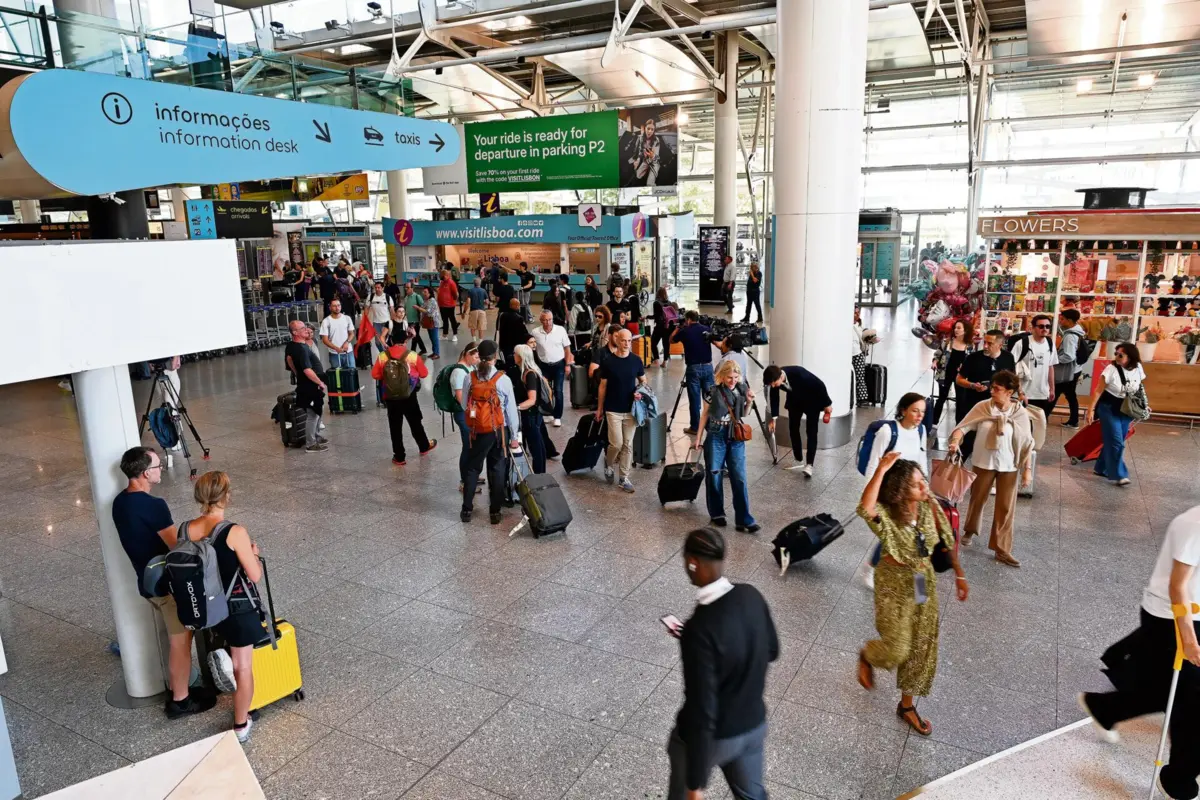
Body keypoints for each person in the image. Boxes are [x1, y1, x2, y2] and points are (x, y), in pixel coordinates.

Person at [1079, 504, 1200, 800]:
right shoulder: (1193, 524)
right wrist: (1188, 638)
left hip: (1189, 618)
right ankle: (1177, 778)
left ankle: (1104, 708)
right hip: (1171, 618)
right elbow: (1178, 585)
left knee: (1172, 693)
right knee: (1193, 701)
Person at [856, 452, 968, 736]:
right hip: (893, 586)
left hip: (922, 581)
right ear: (901, 490)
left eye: (923, 481)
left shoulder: (929, 505)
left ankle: (906, 706)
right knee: (897, 648)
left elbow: (946, 538)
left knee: (921, 645)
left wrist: (959, 574)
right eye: (918, 484)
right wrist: (881, 468)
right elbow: (866, 506)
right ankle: (868, 655)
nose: (925, 487)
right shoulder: (888, 515)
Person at [667, 527, 777, 800]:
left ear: (693, 562)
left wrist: (695, 785)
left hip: (717, 737)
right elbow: (772, 650)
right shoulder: (751, 594)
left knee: (678, 748)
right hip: (753, 725)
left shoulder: (700, 629)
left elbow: (702, 709)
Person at [113, 447, 216, 719]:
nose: (161, 469)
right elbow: (177, 546)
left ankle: (181, 689)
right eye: (158, 466)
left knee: (175, 638)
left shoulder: (119, 502)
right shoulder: (153, 505)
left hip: (146, 582)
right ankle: (180, 700)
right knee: (181, 642)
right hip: (167, 587)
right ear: (146, 473)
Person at [181, 472, 264, 743]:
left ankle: (220, 657)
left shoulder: (184, 530)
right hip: (236, 609)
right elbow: (254, 575)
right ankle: (241, 723)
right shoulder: (234, 532)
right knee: (244, 667)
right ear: (226, 496)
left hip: (203, 609)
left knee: (225, 646)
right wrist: (253, 554)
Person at [948, 370, 1035, 568]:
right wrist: (955, 442)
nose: (992, 391)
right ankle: (969, 530)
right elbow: (963, 427)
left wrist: (1027, 470)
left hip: (1009, 465)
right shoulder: (983, 407)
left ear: (1009, 392)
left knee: (1006, 507)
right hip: (983, 462)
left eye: (997, 389)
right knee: (978, 499)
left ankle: (1002, 549)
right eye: (992, 387)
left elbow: (1026, 443)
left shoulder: (1020, 413)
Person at [694, 360, 759, 533]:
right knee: (714, 474)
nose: (733, 380)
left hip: (735, 436)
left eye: (736, 377)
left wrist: (750, 402)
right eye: (729, 377)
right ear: (721, 376)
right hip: (716, 434)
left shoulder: (742, 389)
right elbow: (705, 415)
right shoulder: (712, 391)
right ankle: (717, 513)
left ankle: (744, 518)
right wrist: (698, 438)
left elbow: (743, 414)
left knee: (739, 476)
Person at [461, 340, 520, 525]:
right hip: (498, 431)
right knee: (497, 469)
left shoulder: (469, 377)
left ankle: (467, 510)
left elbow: (464, 404)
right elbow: (510, 411)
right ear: (495, 357)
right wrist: (514, 436)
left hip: (477, 430)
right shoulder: (503, 379)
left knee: (472, 468)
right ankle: (495, 512)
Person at [1085, 341, 1145, 487]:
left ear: (1130, 357)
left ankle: (1100, 467)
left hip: (1126, 409)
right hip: (1108, 407)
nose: (1117, 357)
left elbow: (1139, 388)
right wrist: (1090, 409)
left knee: (1115, 440)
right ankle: (1120, 474)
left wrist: (1144, 404)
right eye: (1116, 354)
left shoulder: (1138, 368)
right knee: (1117, 441)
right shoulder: (1111, 369)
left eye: (1121, 355)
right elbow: (1098, 390)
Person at [595, 327, 647, 494]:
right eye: (623, 340)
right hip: (613, 409)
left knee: (627, 444)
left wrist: (640, 392)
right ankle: (609, 463)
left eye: (629, 341)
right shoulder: (609, 361)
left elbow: (643, 382)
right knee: (616, 443)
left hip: (630, 409)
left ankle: (624, 477)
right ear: (617, 340)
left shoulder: (636, 360)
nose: (626, 344)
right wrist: (600, 408)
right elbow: (603, 386)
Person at [371, 334, 435, 465]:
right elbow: (424, 374)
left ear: (392, 340)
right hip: (409, 395)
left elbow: (375, 374)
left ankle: (399, 457)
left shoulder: (383, 356)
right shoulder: (412, 355)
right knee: (415, 421)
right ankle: (423, 446)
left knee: (395, 426)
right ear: (406, 340)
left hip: (390, 396)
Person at [954, 329, 1016, 461]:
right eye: (985, 342)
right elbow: (959, 379)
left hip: (997, 408)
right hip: (973, 404)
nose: (985, 346)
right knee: (967, 442)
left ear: (1000, 345)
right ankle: (955, 471)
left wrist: (1018, 394)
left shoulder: (1008, 358)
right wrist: (972, 385)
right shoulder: (973, 358)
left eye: (990, 343)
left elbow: (1012, 380)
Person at [764, 364, 833, 478]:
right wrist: (774, 419)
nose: (773, 385)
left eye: (774, 383)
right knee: (793, 427)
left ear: (781, 377)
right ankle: (798, 455)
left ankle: (809, 464)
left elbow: (819, 385)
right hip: (795, 401)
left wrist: (827, 404)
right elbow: (774, 398)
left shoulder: (800, 374)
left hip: (811, 402)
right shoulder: (774, 378)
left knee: (811, 432)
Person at [285, 321, 328, 452]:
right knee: (313, 414)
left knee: (317, 410)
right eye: (302, 328)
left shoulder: (292, 345)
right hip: (310, 385)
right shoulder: (301, 349)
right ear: (295, 332)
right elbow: (307, 370)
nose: (306, 329)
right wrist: (319, 382)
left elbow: (289, 359)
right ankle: (310, 444)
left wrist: (297, 374)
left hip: (308, 383)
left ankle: (315, 435)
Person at [864, 393, 929, 478]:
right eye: (915, 411)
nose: (920, 415)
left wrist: (925, 483)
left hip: (909, 484)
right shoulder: (887, 431)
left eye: (923, 411)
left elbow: (922, 459)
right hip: (888, 486)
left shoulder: (921, 430)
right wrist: (869, 489)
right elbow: (873, 464)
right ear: (903, 411)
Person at [671, 311, 715, 435]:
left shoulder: (685, 331)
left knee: (694, 400)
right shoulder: (707, 329)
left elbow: (671, 340)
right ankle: (710, 426)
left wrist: (678, 328)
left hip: (693, 368)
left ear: (688, 320)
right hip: (708, 367)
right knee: (709, 398)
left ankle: (695, 427)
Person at [530, 310, 573, 428]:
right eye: (545, 320)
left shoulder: (560, 330)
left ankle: (557, 416)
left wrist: (568, 364)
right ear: (541, 320)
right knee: (544, 390)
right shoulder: (535, 332)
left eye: (549, 319)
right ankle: (547, 412)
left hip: (559, 364)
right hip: (543, 365)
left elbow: (567, 349)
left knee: (558, 390)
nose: (547, 322)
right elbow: (532, 347)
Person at [448, 344, 481, 493]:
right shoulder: (458, 372)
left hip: (471, 413)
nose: (478, 360)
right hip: (465, 415)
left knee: (473, 446)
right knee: (468, 447)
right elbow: (462, 400)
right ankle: (465, 480)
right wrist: (473, 415)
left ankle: (472, 475)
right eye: (476, 357)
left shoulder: (470, 368)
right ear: (467, 355)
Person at [513, 344, 549, 474]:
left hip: (531, 416)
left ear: (521, 357)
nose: (513, 356)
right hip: (532, 415)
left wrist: (516, 407)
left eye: (515, 354)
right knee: (538, 445)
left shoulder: (529, 375)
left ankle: (539, 474)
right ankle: (539, 473)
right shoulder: (529, 372)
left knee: (536, 447)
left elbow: (532, 399)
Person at [930, 320, 973, 427]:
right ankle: (934, 423)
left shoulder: (970, 346)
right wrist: (935, 362)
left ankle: (959, 424)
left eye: (959, 328)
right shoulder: (947, 342)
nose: (956, 330)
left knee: (960, 400)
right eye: (955, 328)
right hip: (945, 374)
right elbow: (938, 354)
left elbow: (972, 361)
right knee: (941, 398)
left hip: (961, 377)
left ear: (965, 330)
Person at [1013, 314, 1055, 420]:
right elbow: (1012, 369)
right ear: (1033, 327)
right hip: (1025, 393)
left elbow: (1050, 367)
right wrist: (1019, 391)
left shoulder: (1050, 343)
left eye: (1047, 326)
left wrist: (1052, 389)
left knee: (1039, 424)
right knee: (1023, 424)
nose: (1045, 329)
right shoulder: (1022, 344)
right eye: (1041, 326)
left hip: (1042, 393)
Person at [1054, 308, 1086, 429]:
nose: (1060, 321)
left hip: (1068, 371)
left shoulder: (1070, 336)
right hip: (1075, 370)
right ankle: (1073, 420)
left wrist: (1055, 360)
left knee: (1055, 393)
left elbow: (1069, 355)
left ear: (1069, 320)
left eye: (1062, 319)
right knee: (1070, 395)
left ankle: (1044, 416)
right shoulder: (1077, 332)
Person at [319, 298, 356, 369]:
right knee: (337, 376)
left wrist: (347, 342)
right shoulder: (326, 321)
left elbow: (351, 333)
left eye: (338, 305)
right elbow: (325, 340)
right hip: (334, 354)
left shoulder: (347, 318)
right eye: (334, 306)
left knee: (351, 373)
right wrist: (336, 348)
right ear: (330, 307)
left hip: (348, 352)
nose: (337, 308)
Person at [852, 306, 876, 407]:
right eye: (855, 313)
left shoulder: (859, 326)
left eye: (858, 313)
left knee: (860, 376)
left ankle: (862, 399)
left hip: (857, 353)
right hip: (847, 353)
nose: (857, 315)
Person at [496, 298, 529, 368]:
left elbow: (498, 328)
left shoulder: (502, 315)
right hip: (514, 346)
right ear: (517, 306)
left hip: (504, 345)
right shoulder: (519, 318)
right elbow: (523, 332)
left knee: (506, 363)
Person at [651, 287, 679, 367]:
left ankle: (656, 359)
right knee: (666, 344)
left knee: (653, 343)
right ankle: (665, 361)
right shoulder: (669, 302)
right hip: (668, 327)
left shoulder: (656, 303)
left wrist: (648, 317)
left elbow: (656, 316)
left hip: (660, 327)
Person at [403, 284, 427, 355]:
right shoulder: (406, 298)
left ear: (412, 288)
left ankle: (412, 351)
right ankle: (423, 349)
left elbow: (423, 307)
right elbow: (405, 308)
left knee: (414, 335)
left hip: (416, 320)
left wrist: (419, 309)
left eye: (408, 287)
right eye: (405, 288)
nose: (406, 289)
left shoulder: (417, 296)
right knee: (416, 335)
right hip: (409, 320)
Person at [437, 269, 460, 342]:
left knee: (452, 320)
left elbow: (455, 294)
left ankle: (455, 335)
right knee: (445, 320)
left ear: (447, 275)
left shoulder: (451, 283)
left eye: (443, 277)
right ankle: (445, 335)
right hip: (442, 305)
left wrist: (453, 301)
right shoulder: (442, 282)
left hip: (450, 305)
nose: (442, 278)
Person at [421, 286, 442, 360]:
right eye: (423, 292)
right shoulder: (426, 300)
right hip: (428, 322)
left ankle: (437, 353)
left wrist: (418, 308)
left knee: (434, 338)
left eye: (425, 292)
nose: (424, 293)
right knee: (432, 338)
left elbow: (428, 311)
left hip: (433, 322)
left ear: (430, 293)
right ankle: (434, 352)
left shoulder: (432, 300)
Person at [466, 278, 489, 343]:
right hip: (482, 311)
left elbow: (468, 301)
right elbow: (487, 302)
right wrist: (483, 301)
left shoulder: (470, 291)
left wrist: (465, 311)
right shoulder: (483, 291)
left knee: (472, 327)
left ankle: (474, 341)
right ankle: (481, 341)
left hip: (473, 310)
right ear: (480, 283)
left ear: (474, 283)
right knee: (481, 327)